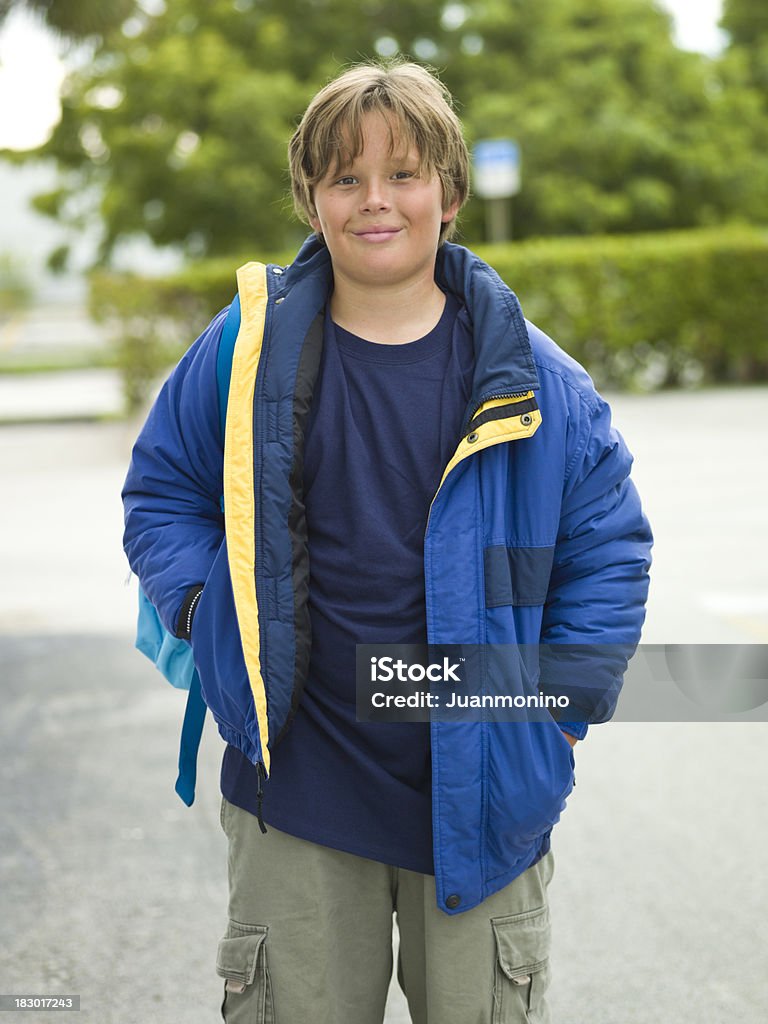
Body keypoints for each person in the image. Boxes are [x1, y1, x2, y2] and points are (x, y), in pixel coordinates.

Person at [122, 59, 652, 1024]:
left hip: (486, 796)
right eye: (346, 178)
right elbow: (163, 494)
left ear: (448, 192)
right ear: (310, 199)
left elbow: (606, 550)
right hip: (298, 786)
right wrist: (206, 612)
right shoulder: (241, 353)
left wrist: (560, 707)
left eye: (404, 174)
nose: (377, 202)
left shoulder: (539, 380)